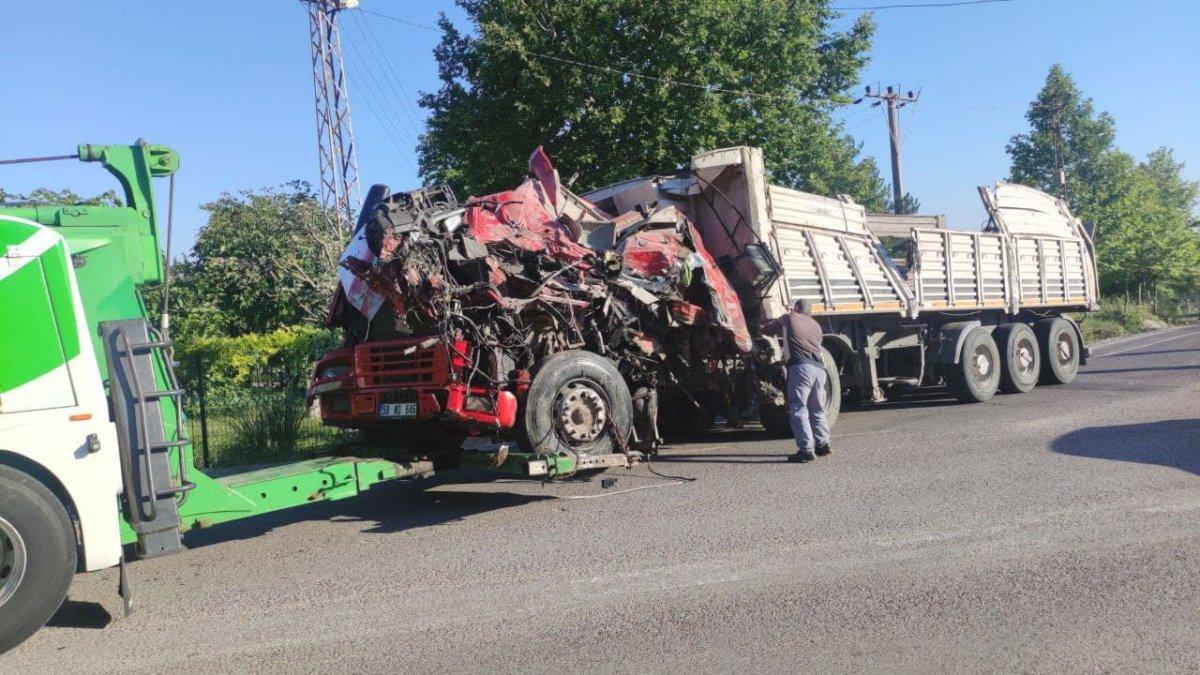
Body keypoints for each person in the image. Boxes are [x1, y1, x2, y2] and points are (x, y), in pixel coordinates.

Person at [761, 299, 832, 463]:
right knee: (817, 408)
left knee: (798, 408)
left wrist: (760, 329)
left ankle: (806, 450)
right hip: (820, 370)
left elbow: (769, 330)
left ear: (797, 308)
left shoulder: (789, 317)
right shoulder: (817, 326)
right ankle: (823, 444)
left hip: (801, 368)